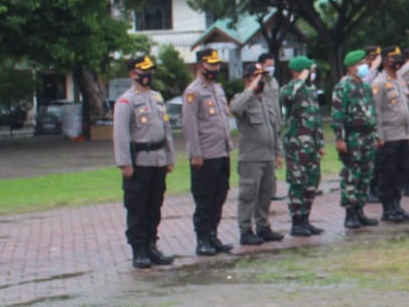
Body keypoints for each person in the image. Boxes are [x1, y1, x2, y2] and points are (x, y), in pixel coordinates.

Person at [113, 54, 176, 269]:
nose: (147, 75)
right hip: (139, 162)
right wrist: (125, 163)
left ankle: (151, 246)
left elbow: (166, 130)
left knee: (154, 206)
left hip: (158, 160)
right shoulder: (126, 101)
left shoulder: (157, 97)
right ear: (133, 74)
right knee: (137, 207)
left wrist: (169, 157)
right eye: (143, 71)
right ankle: (138, 249)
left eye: (149, 71)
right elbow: (120, 134)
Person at [182, 48, 233, 256]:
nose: (215, 68)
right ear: (200, 66)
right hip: (205, 154)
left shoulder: (217, 89)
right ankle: (202, 239)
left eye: (217, 64)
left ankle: (213, 235)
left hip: (222, 152)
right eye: (211, 64)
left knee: (219, 195)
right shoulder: (193, 92)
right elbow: (190, 125)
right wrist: (195, 153)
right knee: (205, 198)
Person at [230, 61, 285, 246]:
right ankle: (245, 230)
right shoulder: (242, 99)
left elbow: (274, 128)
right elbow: (235, 109)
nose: (262, 81)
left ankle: (263, 226)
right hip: (251, 157)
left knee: (265, 193)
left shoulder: (266, 101)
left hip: (267, 156)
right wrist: (250, 89)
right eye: (257, 77)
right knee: (248, 195)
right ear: (247, 79)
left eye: (263, 77)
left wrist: (278, 152)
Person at [331, 50, 378, 230]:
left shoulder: (365, 87)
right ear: (351, 67)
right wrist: (340, 138)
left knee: (366, 175)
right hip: (352, 137)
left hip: (367, 137)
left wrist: (375, 134)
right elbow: (337, 115)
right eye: (361, 63)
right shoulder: (343, 87)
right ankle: (350, 213)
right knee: (352, 175)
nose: (365, 66)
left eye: (365, 62)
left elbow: (372, 112)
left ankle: (360, 210)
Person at [280, 56, 325, 236]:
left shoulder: (310, 90)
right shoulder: (289, 88)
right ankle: (296, 221)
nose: (312, 73)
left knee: (312, 181)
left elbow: (316, 118)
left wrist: (320, 143)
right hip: (296, 145)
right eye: (309, 70)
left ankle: (306, 218)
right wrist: (299, 80)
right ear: (297, 72)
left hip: (312, 145)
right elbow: (287, 97)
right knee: (298, 181)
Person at [371, 46, 409, 222]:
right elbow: (376, 111)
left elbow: (405, 108)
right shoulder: (379, 82)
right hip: (388, 136)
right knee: (387, 174)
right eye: (393, 57)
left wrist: (408, 132)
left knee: (400, 173)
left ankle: (397, 206)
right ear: (385, 60)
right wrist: (379, 135)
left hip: (402, 134)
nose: (397, 61)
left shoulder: (400, 80)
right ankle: (388, 208)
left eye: (398, 57)